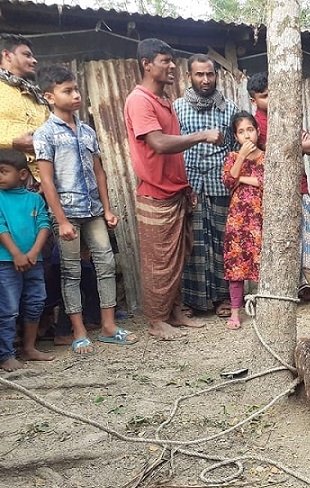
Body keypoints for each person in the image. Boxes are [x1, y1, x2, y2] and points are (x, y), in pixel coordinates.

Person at [124, 38, 224, 340]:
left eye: (171, 61)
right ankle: (156, 320)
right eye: (165, 61)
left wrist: (184, 185)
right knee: (159, 261)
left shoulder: (164, 101)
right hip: (155, 193)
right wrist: (203, 135)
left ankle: (175, 311)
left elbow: (172, 152)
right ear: (146, 64)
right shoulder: (140, 100)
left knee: (179, 255)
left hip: (175, 190)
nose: (171, 67)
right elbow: (158, 143)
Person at [34, 65, 137, 355]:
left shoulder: (88, 131)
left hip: (93, 210)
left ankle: (108, 327)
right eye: (68, 91)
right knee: (71, 272)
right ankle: (78, 332)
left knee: (106, 264)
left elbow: (99, 172)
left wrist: (107, 208)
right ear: (50, 96)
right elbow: (46, 180)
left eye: (76, 89)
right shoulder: (45, 134)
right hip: (66, 212)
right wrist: (61, 220)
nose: (76, 95)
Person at [174, 54, 238, 318]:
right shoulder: (176, 108)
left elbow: (236, 149)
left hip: (220, 185)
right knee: (192, 244)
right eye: (199, 74)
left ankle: (224, 298)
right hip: (190, 185)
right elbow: (172, 147)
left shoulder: (230, 109)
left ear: (216, 75)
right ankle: (192, 301)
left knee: (224, 242)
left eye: (210, 74)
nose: (205, 79)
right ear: (189, 76)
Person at [248, 71, 310, 299]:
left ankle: (307, 287)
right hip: (274, 191)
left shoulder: (287, 115)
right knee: (283, 243)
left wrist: (294, 146)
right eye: (264, 96)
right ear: (254, 100)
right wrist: (294, 146)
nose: (270, 100)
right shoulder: (255, 125)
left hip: (299, 186)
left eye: (272, 95)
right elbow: (267, 153)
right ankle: (285, 290)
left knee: (304, 237)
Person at [0, 150, 53, 371]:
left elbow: (44, 225)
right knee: (8, 308)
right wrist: (16, 254)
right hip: (5, 262)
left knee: (36, 302)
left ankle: (29, 348)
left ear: (22, 174)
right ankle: (6, 354)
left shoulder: (34, 199)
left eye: (3, 172)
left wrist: (33, 253)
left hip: (34, 261)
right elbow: (1, 226)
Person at [221, 111, 264, 330]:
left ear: (257, 131)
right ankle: (235, 313)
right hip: (237, 223)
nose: (247, 136)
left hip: (259, 220)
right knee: (236, 268)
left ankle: (263, 309)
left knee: (261, 264)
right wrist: (239, 158)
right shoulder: (231, 157)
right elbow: (228, 181)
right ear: (236, 137)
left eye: (250, 130)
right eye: (241, 132)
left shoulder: (266, 157)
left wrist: (242, 179)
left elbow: (265, 181)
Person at [0, 34, 49, 185]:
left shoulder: (36, 96)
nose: (34, 61)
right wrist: (11, 143)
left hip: (40, 182)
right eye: (26, 55)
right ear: (7, 55)